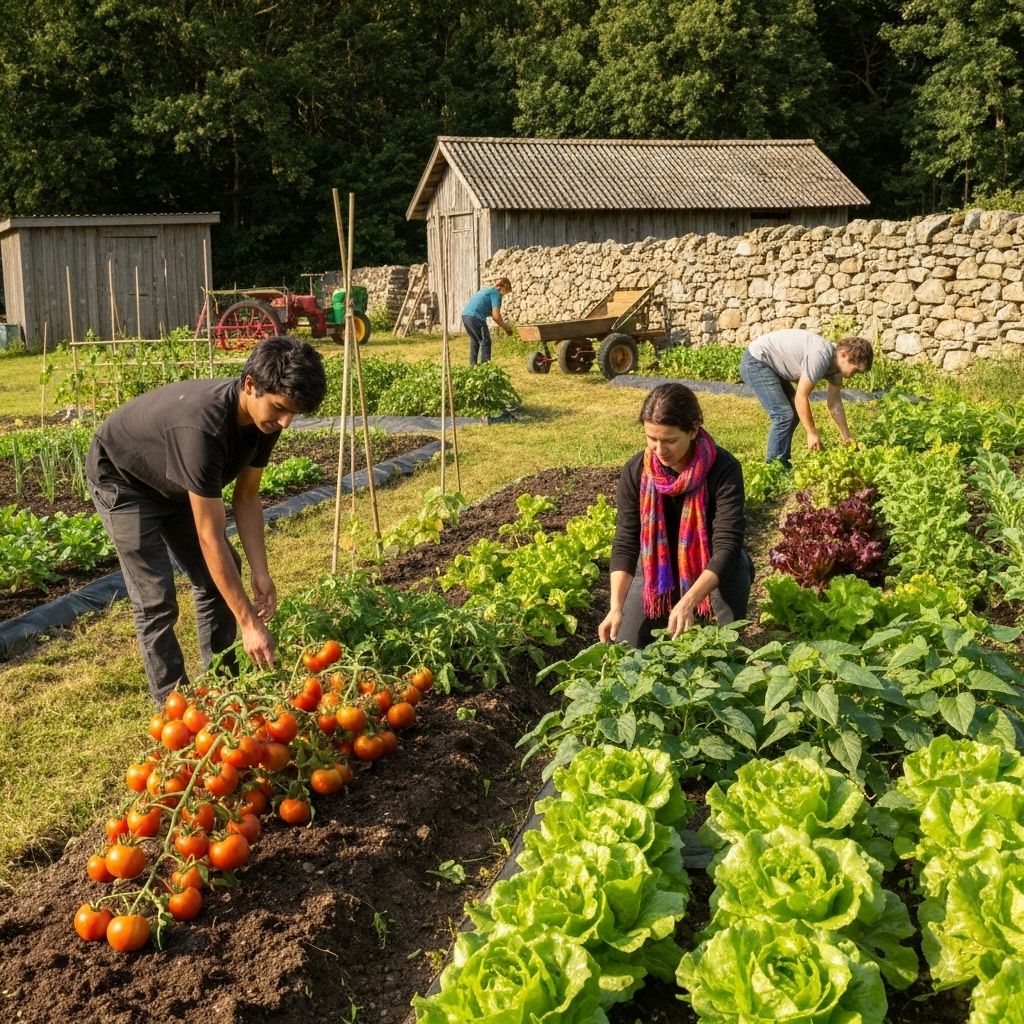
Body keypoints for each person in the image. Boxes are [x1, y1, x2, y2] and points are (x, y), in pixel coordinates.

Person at [85, 335, 327, 704]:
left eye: (293, 413)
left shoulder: (265, 422)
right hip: (124, 481)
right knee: (156, 598)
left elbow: (246, 497)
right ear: (250, 385)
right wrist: (248, 623)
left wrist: (261, 574)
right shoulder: (202, 430)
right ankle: (175, 708)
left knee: (218, 581)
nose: (287, 422)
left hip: (174, 478)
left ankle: (221, 688)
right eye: (280, 409)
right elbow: (209, 535)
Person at [598, 382, 753, 647]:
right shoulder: (637, 471)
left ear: (693, 430)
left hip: (714, 566)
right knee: (628, 645)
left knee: (722, 647)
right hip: (656, 567)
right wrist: (615, 607)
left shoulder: (724, 469)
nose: (659, 450)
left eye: (669, 440)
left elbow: (727, 545)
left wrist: (689, 601)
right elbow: (626, 541)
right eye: (652, 439)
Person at [739, 329, 874, 467]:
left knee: (792, 415)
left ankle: (781, 463)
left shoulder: (836, 369)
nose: (854, 375)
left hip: (770, 365)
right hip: (756, 362)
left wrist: (847, 437)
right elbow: (800, 397)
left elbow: (835, 405)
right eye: (856, 370)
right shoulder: (821, 356)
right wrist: (812, 433)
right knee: (783, 415)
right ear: (843, 355)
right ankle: (774, 468)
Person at [461, 277, 512, 365]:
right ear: (503, 287)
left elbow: (492, 314)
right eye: (506, 291)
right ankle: (486, 367)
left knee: (475, 340)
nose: (505, 294)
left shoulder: (487, 290)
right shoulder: (496, 294)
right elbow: (496, 316)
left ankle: (472, 366)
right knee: (485, 341)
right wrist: (506, 328)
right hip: (476, 317)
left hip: (466, 316)